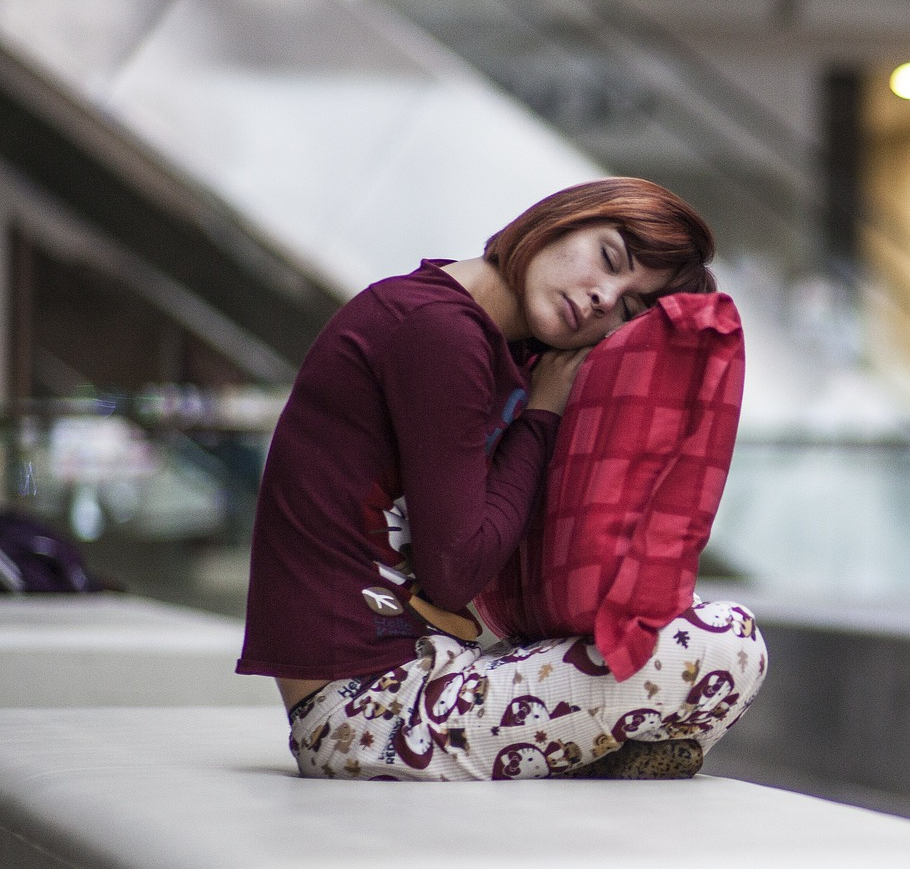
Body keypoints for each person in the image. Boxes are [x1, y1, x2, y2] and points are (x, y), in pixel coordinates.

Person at [236, 177, 767, 781]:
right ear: (561, 218)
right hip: (363, 716)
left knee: (674, 627)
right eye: (609, 259)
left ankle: (594, 760)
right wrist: (541, 417)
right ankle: (594, 760)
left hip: (421, 678)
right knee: (724, 645)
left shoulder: (477, 335)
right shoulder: (440, 329)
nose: (602, 298)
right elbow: (457, 568)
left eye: (628, 307)